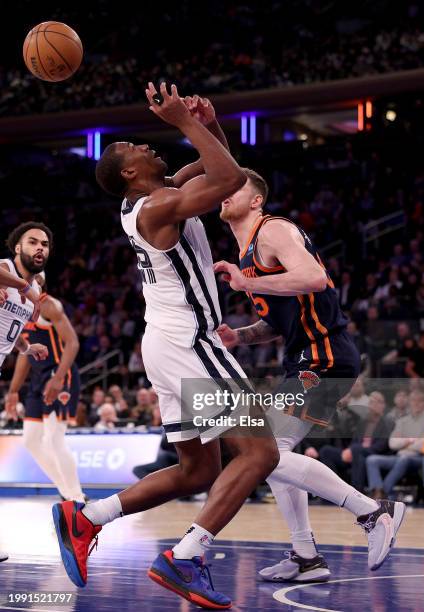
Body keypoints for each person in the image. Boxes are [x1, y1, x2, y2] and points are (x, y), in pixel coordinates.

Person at [51, 84, 279, 610]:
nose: (146, 146)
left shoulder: (156, 197)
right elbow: (230, 180)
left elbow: (221, 165)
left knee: (199, 470)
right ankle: (186, 557)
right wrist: (182, 122)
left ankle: (86, 518)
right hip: (188, 343)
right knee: (261, 451)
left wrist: (210, 124)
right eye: (135, 148)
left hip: (165, 343)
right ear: (130, 173)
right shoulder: (157, 206)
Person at [215, 168, 406, 581]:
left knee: (260, 451)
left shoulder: (273, 230)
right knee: (270, 452)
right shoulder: (250, 248)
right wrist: (240, 336)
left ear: (256, 200)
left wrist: (246, 280)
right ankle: (305, 556)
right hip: (307, 355)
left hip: (324, 355)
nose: (224, 192)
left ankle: (373, 512)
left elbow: (314, 278)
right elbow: (280, 322)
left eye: (235, 188)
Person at [5, 271, 85, 503]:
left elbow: (73, 342)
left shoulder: (48, 305)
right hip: (38, 379)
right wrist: (13, 391)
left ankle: (78, 499)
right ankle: (67, 493)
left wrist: (59, 378)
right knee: (30, 440)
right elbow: (23, 355)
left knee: (54, 438)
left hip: (59, 374)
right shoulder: (18, 310)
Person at [0, 223, 52, 564]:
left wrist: (25, 346)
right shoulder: (5, 269)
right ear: (16, 247)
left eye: (45, 244)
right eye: (32, 242)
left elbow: (10, 322)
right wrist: (28, 291)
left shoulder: (38, 282)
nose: (40, 248)